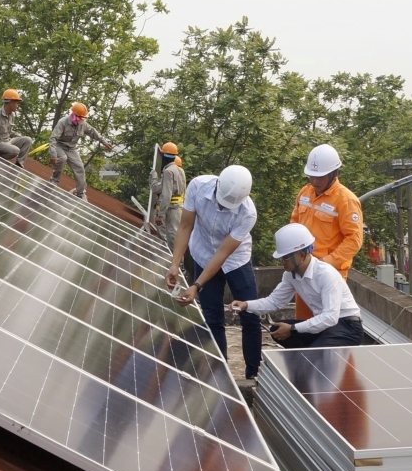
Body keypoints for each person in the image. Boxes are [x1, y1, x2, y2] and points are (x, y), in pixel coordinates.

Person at [166, 164, 262, 378]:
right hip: (202, 252)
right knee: (212, 317)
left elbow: (222, 254)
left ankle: (253, 373)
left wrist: (196, 286)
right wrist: (175, 263)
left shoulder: (247, 213)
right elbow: (184, 226)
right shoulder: (198, 187)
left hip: (236, 260)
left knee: (250, 315)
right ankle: (220, 373)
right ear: (217, 184)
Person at [232, 223, 363, 349]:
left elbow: (330, 317)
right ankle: (309, 358)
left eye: (286, 258)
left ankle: (314, 359)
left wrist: (293, 329)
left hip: (347, 326)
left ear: (301, 255)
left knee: (316, 352)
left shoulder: (326, 274)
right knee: (277, 330)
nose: (282, 262)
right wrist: (246, 305)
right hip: (324, 326)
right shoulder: (290, 275)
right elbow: (275, 301)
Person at [289, 144, 363, 319]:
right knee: (304, 324)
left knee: (327, 323)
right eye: (311, 176)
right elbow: (294, 224)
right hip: (304, 270)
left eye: (319, 177)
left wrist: (325, 263)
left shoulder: (346, 200)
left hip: (330, 273)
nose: (314, 181)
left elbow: (354, 240)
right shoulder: (305, 193)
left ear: (333, 174)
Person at [48, 102, 112, 200]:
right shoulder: (63, 122)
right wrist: (53, 153)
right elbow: (53, 138)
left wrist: (104, 142)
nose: (82, 119)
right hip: (59, 146)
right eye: (80, 117)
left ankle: (80, 193)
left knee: (80, 167)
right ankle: (54, 181)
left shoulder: (82, 124)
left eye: (83, 118)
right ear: (74, 115)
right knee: (62, 158)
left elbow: (93, 132)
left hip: (71, 149)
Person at [150, 141, 186, 251]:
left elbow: (166, 194)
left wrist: (160, 214)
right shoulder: (180, 170)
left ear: (164, 156)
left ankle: (175, 264)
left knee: (171, 236)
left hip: (171, 208)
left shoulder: (168, 171)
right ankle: (179, 263)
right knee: (175, 235)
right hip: (179, 206)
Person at [0, 89, 33, 166]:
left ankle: (19, 163)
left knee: (28, 140)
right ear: (10, 103)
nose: (17, 105)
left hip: (8, 141)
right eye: (16, 103)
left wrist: (20, 137)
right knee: (15, 151)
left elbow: (9, 132)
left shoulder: (11, 115)